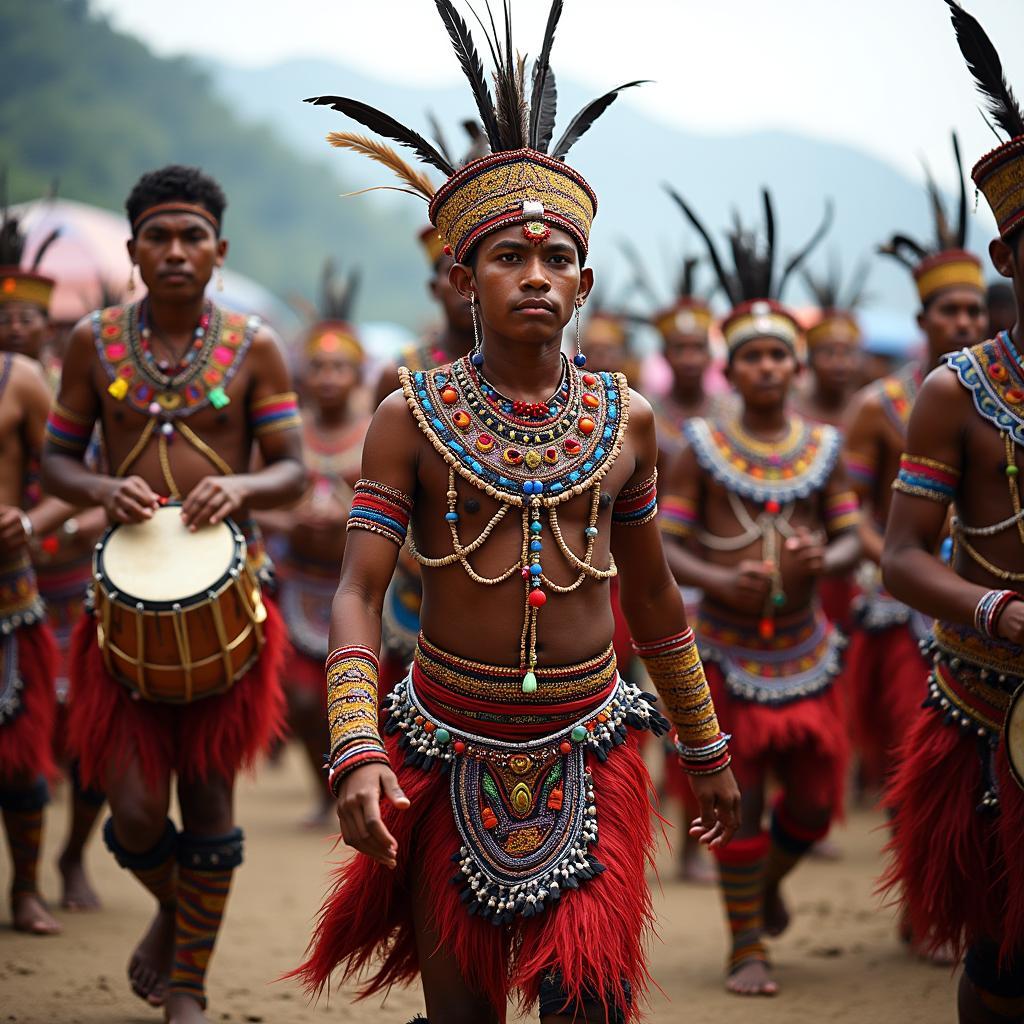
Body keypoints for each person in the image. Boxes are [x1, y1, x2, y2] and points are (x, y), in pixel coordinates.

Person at [293, 5, 740, 1021]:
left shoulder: (629, 419)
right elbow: (360, 596)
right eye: (506, 259)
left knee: (589, 1004)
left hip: (592, 736)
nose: (533, 276)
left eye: (553, 262)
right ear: (462, 279)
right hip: (443, 742)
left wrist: (704, 748)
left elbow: (657, 596)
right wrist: (358, 746)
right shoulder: (407, 420)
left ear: (582, 282)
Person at [41, 165, 306, 1024]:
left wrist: (241, 487)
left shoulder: (255, 345)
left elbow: (295, 470)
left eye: (193, 236)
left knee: (211, 804)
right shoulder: (91, 342)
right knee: (138, 812)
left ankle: (188, 984)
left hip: (229, 612)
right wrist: (96, 489)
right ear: (133, 251)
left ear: (219, 251)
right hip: (119, 613)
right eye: (158, 235)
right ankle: (170, 904)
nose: (176, 250)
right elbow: (56, 459)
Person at [661, 188, 857, 996]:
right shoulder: (698, 448)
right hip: (728, 656)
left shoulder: (824, 446)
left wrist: (822, 553)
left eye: (780, 356)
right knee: (732, 800)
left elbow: (853, 534)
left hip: (806, 651)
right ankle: (748, 944)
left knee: (813, 803)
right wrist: (717, 577)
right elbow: (666, 549)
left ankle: (770, 881)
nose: (768, 368)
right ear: (729, 368)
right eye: (752, 357)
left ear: (797, 366)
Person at [882, 4, 1024, 1019]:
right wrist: (995, 612)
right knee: (1007, 950)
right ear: (1006, 260)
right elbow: (900, 559)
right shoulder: (955, 391)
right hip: (991, 705)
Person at [842, 134, 987, 815]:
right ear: (921, 319)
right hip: (902, 600)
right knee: (914, 751)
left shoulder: (998, 400)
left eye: (973, 311)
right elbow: (848, 509)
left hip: (990, 601)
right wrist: (893, 560)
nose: (963, 322)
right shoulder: (877, 408)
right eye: (949, 312)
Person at [0, 194, 108, 911]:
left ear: (48, 326)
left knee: (71, 744)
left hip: (56, 589)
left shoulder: (41, 383)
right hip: (25, 583)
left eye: (27, 317)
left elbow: (86, 485)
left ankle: (53, 871)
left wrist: (36, 524)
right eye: (3, 315)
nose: (13, 326)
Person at [259, 260, 370, 826]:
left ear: (358, 374)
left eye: (339, 367)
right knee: (302, 702)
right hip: (300, 580)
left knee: (363, 702)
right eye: (318, 366)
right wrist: (294, 523)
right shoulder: (286, 430)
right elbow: (257, 501)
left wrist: (352, 515)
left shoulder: (380, 426)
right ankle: (323, 787)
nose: (328, 376)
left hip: (365, 585)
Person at [0, 347, 71, 936]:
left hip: (8, 594)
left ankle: (26, 886)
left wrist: (26, 523)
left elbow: (64, 480)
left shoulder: (18, 380)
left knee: (21, 759)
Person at [373, 226, 476, 408]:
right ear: (434, 288)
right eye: (452, 273)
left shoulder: (524, 365)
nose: (465, 286)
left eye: (473, 272)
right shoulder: (399, 374)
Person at [795, 259, 868, 429]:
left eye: (848, 353)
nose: (839, 363)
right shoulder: (790, 413)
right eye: (828, 353)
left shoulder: (871, 411)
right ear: (810, 359)